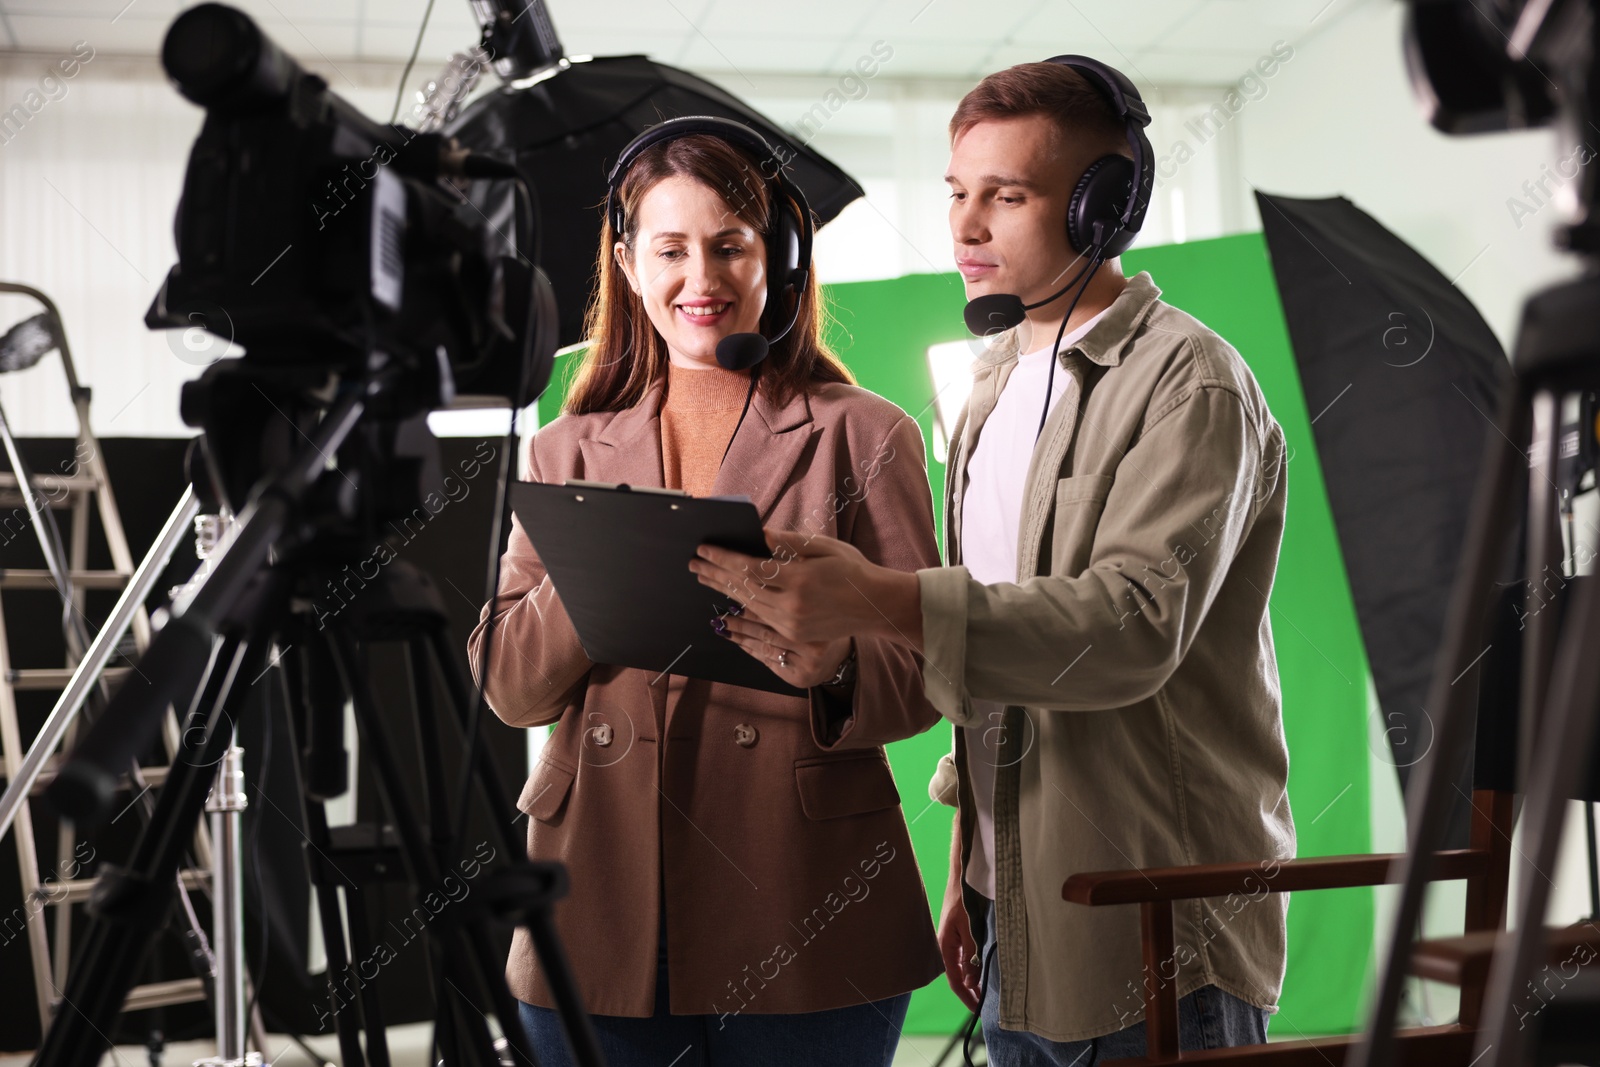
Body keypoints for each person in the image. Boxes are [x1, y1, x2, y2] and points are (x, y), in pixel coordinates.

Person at [690, 61, 1296, 1065]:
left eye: (1005, 196)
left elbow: (1127, 629)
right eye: (956, 193)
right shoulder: (987, 391)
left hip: (1157, 933)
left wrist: (871, 594)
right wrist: (973, 872)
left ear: (1103, 207)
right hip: (1017, 915)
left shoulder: (1190, 385)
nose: (966, 226)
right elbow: (994, 659)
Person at [468, 117, 944, 1067]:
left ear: (783, 257)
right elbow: (511, 687)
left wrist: (840, 661)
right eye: (672, 248)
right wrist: (613, 550)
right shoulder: (566, 448)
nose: (703, 279)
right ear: (628, 262)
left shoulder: (865, 433)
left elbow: (928, 664)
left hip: (802, 891)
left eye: (731, 245)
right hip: (597, 896)